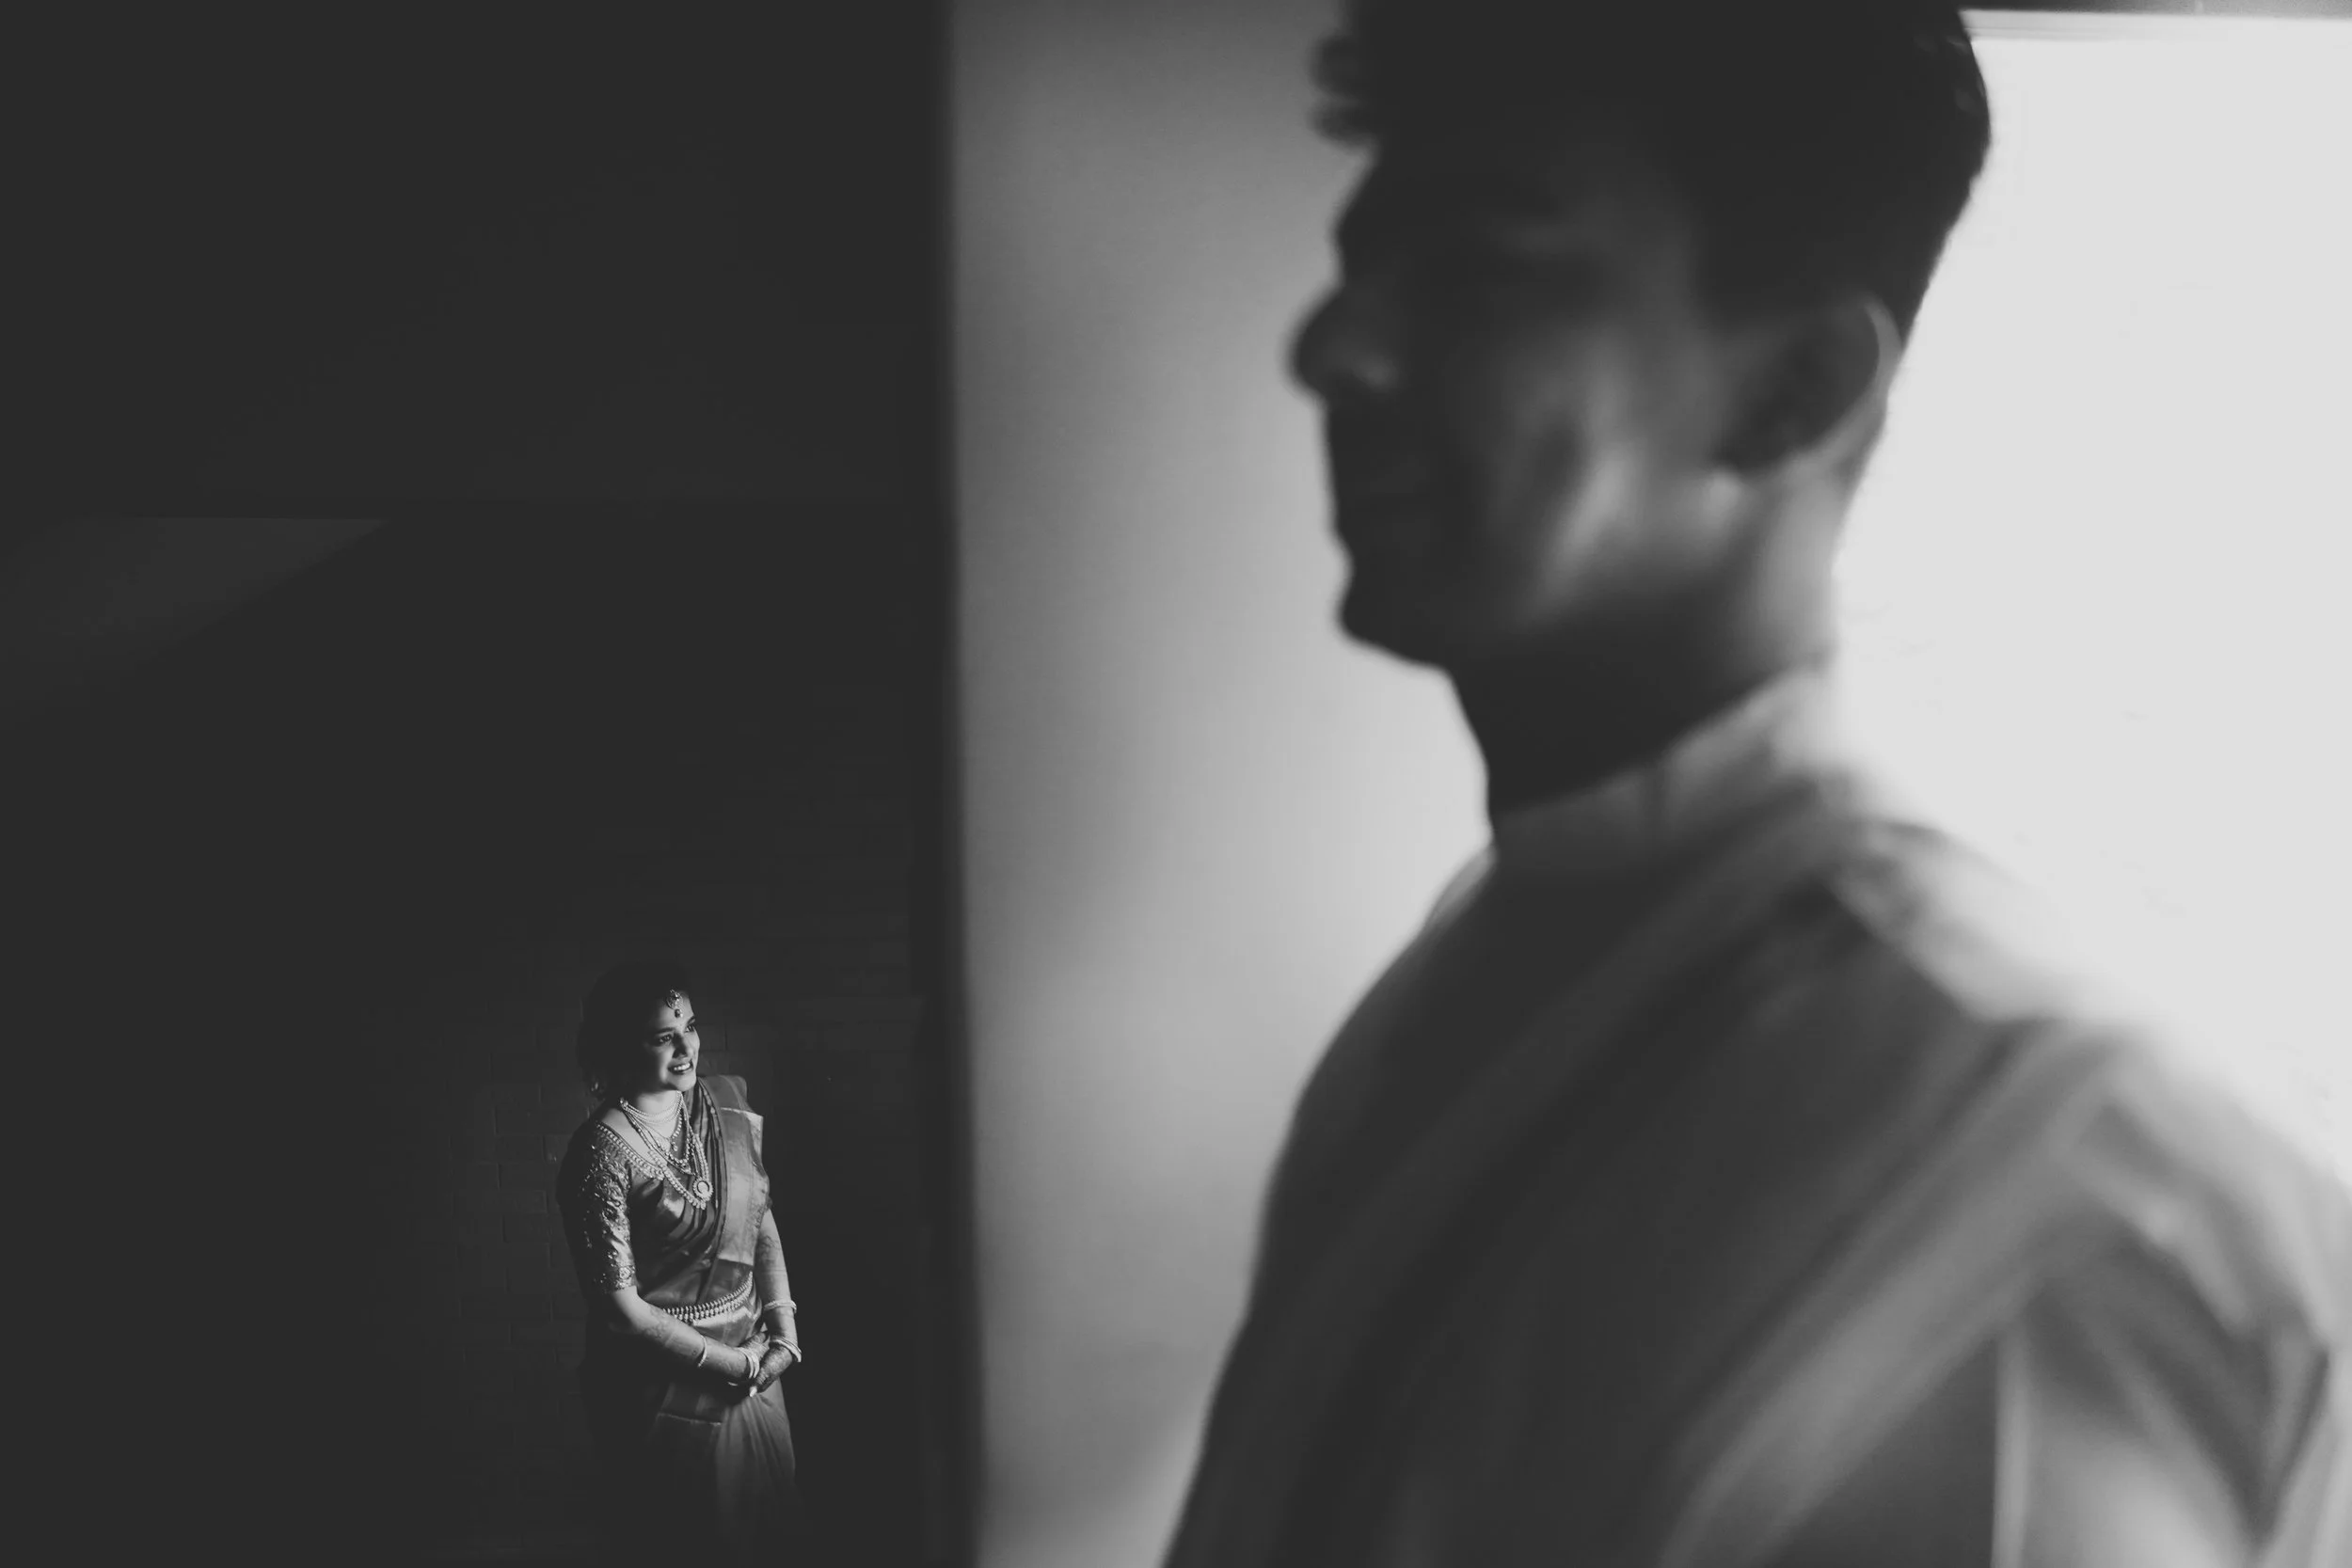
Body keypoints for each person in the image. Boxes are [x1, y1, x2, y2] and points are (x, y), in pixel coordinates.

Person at [1162, 4, 2351, 1566]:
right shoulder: (1442, 994)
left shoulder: (2061, 1182)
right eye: (1365, 258)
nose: (1334, 345)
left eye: (1482, 265)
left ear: (1796, 389)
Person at [557, 961, 808, 1562]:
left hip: (754, 1360)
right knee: (694, 1541)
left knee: (768, 1534)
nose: (685, 1047)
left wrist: (784, 1332)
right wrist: (733, 1365)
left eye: (689, 1026)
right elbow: (621, 1313)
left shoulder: (721, 1108)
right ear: (621, 1046)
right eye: (661, 1035)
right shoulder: (599, 1155)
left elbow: (760, 1220)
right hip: (666, 1386)